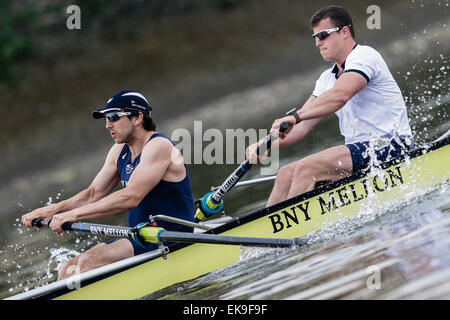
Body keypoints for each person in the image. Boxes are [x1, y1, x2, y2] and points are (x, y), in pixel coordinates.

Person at [246, 5, 413, 207]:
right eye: (315, 37)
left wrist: (295, 117)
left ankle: (295, 231)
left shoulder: (365, 56)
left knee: (307, 168)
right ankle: (267, 231)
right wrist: (264, 144)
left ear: (344, 32)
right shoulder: (326, 78)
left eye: (323, 35)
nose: (318, 43)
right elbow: (301, 126)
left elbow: (340, 96)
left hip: (391, 145)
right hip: (360, 152)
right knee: (285, 173)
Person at [21, 89, 194, 280]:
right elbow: (93, 193)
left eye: (113, 117)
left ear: (137, 117)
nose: (107, 125)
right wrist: (52, 210)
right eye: (105, 119)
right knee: (68, 268)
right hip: (140, 237)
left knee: (85, 264)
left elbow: (131, 197)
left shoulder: (159, 146)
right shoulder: (119, 151)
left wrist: (72, 215)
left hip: (171, 237)